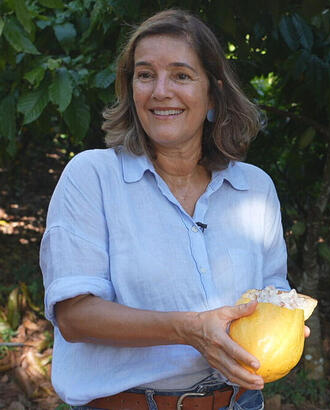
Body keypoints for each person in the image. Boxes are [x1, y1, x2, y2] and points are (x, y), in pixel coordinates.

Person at [40, 9, 299, 409]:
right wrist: (190, 329)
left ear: (213, 93)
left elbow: (273, 295)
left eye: (181, 75)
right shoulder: (92, 177)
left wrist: (287, 324)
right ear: (131, 89)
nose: (160, 91)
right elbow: (75, 317)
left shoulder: (254, 187)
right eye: (145, 75)